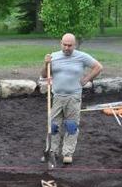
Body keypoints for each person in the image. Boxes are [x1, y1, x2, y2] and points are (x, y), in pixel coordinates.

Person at [41, 33, 103, 165]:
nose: (67, 48)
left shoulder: (82, 57)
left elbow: (98, 67)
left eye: (70, 45)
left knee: (71, 126)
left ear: (74, 45)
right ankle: (52, 151)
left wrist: (86, 79)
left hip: (73, 97)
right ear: (60, 43)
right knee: (53, 126)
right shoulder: (53, 56)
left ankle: (67, 153)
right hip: (57, 96)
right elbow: (44, 75)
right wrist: (45, 63)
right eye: (64, 44)